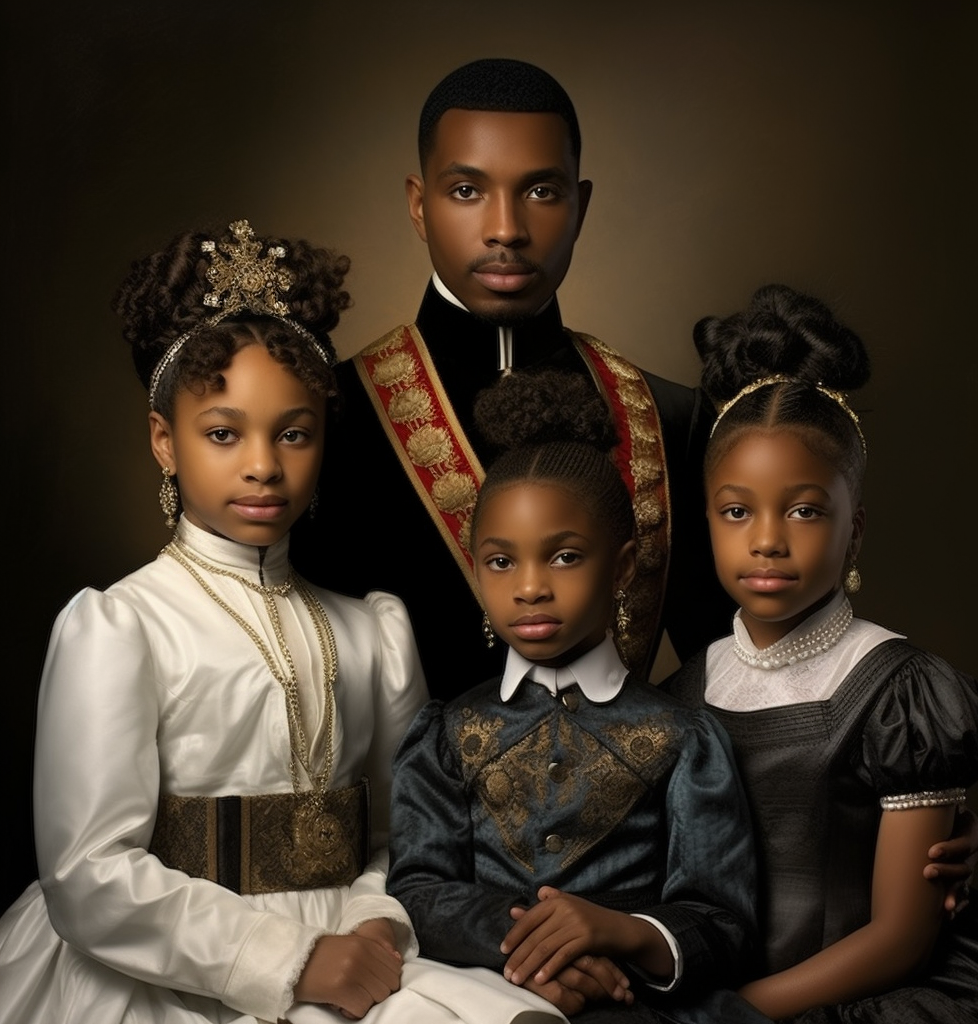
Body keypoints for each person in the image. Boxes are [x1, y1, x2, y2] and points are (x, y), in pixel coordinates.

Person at [0, 220, 571, 1024]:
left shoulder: (373, 632)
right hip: (174, 963)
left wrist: (376, 922)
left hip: (356, 942)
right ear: (165, 441)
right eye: (224, 433)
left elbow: (403, 832)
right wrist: (289, 960)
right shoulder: (120, 627)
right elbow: (89, 871)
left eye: (294, 433)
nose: (264, 464)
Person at [290, 57, 733, 696]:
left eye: (542, 191)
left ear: (580, 205)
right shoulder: (334, 415)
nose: (506, 229)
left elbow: (733, 677)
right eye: (467, 191)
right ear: (419, 206)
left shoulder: (673, 417)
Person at [665, 284, 978, 1023]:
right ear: (708, 521)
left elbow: (901, 938)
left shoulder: (902, 695)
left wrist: (737, 1012)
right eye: (738, 511)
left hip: (856, 994)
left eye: (804, 510)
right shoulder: (685, 690)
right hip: (713, 984)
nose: (767, 539)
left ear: (854, 531)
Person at [386, 369, 763, 1022]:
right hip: (485, 995)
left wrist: (623, 934)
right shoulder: (447, 734)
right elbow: (419, 890)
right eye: (502, 562)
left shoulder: (683, 738)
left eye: (563, 557)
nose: (530, 587)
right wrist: (530, 947)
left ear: (620, 568)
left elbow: (721, 922)